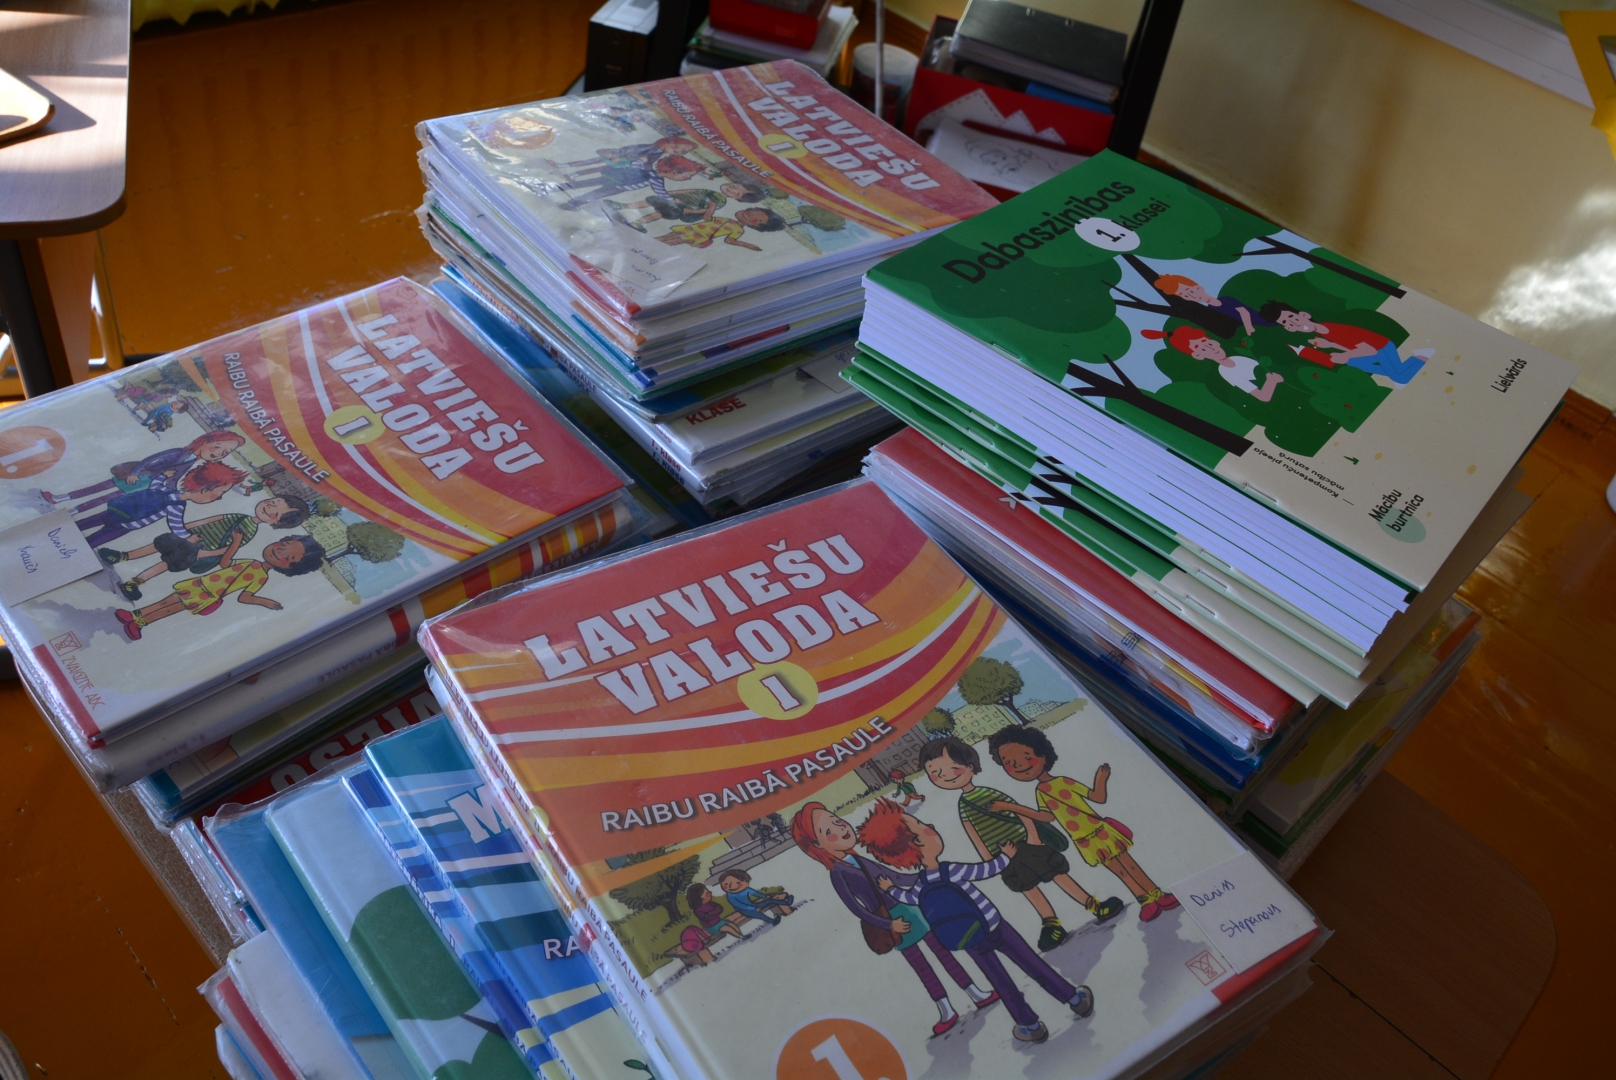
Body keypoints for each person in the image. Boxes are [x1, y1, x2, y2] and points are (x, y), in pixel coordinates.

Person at [862, 800, 1094, 1046]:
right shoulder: (951, 870)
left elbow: (909, 897)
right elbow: (985, 870)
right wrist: (1006, 856)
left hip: (968, 937)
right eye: (921, 825)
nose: (930, 825)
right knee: (1031, 963)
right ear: (918, 842)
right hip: (994, 925)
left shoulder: (921, 883)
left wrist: (891, 889)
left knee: (1001, 982)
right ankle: (1075, 1000)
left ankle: (1030, 1026)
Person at [791, 801, 997, 1037]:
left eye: (837, 821)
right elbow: (857, 909)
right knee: (921, 966)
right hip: (891, 921)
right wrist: (889, 924)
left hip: (909, 908)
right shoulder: (838, 873)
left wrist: (928, 873)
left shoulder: (859, 859)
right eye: (829, 830)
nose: (841, 827)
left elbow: (895, 877)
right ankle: (946, 1010)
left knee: (943, 953)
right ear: (818, 845)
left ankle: (974, 992)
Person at [919, 737, 1121, 952]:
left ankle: (1093, 905)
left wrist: (1033, 838)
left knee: (1057, 874)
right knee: (1027, 887)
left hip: (1025, 844)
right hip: (1004, 855)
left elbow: (1019, 812)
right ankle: (1051, 924)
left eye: (953, 768)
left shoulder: (988, 793)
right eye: (936, 773)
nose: (945, 776)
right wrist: (990, 861)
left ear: (970, 766)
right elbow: (973, 834)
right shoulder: (964, 805)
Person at [988, 727, 1180, 923]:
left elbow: (1098, 797)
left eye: (1027, 757)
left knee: (1129, 864)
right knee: (1119, 870)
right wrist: (1012, 807)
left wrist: (1100, 779)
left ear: (1043, 756)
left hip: (1100, 831)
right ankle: (1145, 900)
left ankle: (1158, 895)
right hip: (1084, 840)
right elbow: (1046, 817)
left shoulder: (1063, 782)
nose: (1019, 765)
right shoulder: (1041, 791)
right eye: (1009, 763)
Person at [97, 495, 311, 601]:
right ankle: (122, 556)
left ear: (276, 522)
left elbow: (227, 550)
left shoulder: (249, 530)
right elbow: (212, 519)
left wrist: (204, 553)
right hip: (189, 536)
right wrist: (185, 529)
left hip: (196, 550)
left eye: (275, 511)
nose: (268, 507)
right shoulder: (239, 516)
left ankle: (135, 582)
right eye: (272, 502)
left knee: (166, 564)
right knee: (156, 545)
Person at [114, 535, 325, 641]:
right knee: (167, 601)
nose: (280, 553)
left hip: (208, 595)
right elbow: (225, 564)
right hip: (199, 584)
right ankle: (134, 615)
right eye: (282, 546)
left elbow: (245, 597)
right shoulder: (251, 563)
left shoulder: (261, 577)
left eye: (288, 557)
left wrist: (265, 602)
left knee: (172, 608)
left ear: (288, 568)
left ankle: (141, 623)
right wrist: (235, 543)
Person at [43, 431, 245, 511]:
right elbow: (152, 459)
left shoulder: (192, 462)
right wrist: (135, 472)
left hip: (145, 485)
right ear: (206, 441)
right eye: (218, 447)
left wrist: (170, 490)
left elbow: (173, 479)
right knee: (98, 488)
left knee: (107, 498)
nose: (219, 453)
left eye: (225, 452)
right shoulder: (181, 453)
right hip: (138, 477)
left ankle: (75, 511)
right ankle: (61, 498)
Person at [1259, 302, 1431, 385]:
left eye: (1291, 317)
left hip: (1381, 346)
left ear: (1304, 315)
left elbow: (1369, 349)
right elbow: (1352, 346)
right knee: (1353, 363)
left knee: (1401, 378)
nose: (1292, 323)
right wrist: (1332, 347)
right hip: (1372, 350)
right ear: (1288, 329)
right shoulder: (1322, 332)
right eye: (1286, 323)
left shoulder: (1329, 329)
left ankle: (1423, 356)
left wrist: (1345, 355)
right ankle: (1399, 370)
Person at [1142, 326, 1284, 402]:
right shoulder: (1226, 372)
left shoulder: (1239, 355)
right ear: (1198, 356)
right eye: (1200, 348)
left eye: (1206, 342)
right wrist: (1271, 381)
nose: (1209, 348)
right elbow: (1263, 397)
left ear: (1214, 341)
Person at [1153, 274, 1268, 336]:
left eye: (1190, 291)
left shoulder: (1226, 300)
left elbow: (1244, 312)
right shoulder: (1211, 311)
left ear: (1198, 287)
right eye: (1186, 296)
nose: (1192, 295)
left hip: (1262, 322)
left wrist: (1248, 327)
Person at [656, 207, 787, 253]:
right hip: (690, 229)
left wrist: (748, 245)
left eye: (757, 220)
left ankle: (650, 251)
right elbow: (708, 218)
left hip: (698, 236)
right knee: (665, 237)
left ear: (757, 227)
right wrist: (712, 206)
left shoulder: (738, 230)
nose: (750, 216)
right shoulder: (727, 220)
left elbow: (730, 240)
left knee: (671, 242)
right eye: (752, 213)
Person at [717, 869, 794, 926]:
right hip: (744, 910)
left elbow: (756, 893)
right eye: (726, 884)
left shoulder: (746, 889)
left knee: (770, 900)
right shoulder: (730, 896)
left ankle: (786, 903)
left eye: (737, 883)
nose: (731, 886)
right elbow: (740, 905)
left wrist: (765, 896)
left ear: (746, 882)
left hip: (752, 905)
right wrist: (754, 908)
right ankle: (773, 921)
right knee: (759, 915)